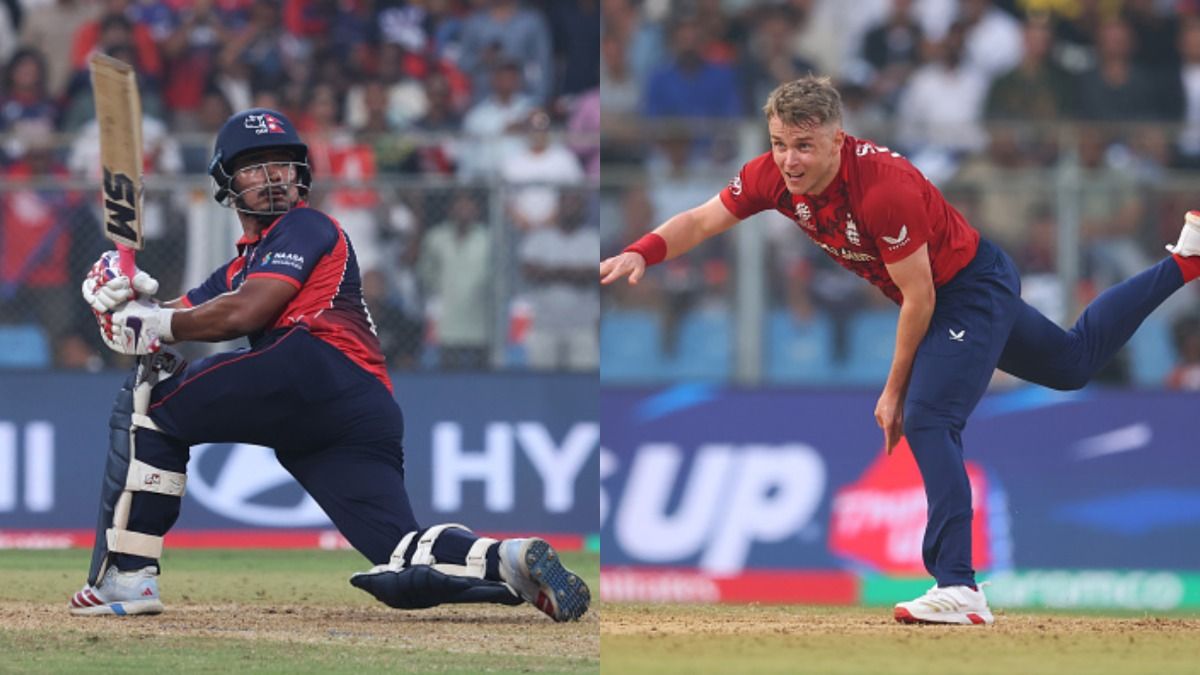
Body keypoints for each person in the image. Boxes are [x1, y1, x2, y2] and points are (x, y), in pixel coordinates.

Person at [600, 75, 1200, 626]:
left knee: (930, 418)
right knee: (1072, 363)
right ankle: (1185, 260)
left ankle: (959, 586)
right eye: (781, 142)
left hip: (966, 290)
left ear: (838, 138)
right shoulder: (772, 175)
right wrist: (642, 252)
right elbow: (702, 222)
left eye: (804, 145)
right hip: (954, 287)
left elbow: (919, 299)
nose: (789, 159)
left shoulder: (884, 190)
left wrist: (894, 392)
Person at [70, 108, 590, 622]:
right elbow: (172, 320)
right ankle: (510, 560)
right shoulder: (239, 266)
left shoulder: (305, 226)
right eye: (255, 165)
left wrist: (151, 326)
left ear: (301, 176)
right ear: (227, 181)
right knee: (400, 555)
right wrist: (116, 306)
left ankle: (127, 575)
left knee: (152, 405)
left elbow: (243, 313)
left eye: (282, 164)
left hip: (313, 365)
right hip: (358, 408)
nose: (273, 176)